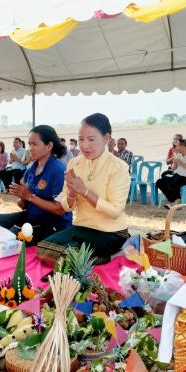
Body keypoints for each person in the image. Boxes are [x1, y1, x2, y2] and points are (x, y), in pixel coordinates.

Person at [37, 113, 130, 266]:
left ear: (106, 138)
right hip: (82, 228)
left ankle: (111, 255)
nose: (85, 145)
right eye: (81, 139)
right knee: (44, 249)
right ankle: (99, 257)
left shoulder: (119, 167)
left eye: (91, 139)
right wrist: (72, 194)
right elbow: (66, 206)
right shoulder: (74, 164)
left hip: (111, 232)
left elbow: (115, 211)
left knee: (67, 258)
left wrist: (85, 192)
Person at [0, 125, 71, 245]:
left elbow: (60, 210)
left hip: (51, 223)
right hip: (31, 216)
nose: (30, 148)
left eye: (35, 144)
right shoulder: (31, 169)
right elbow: (23, 205)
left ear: (49, 146)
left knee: (10, 239)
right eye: (29, 144)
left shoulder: (58, 170)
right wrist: (22, 198)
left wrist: (30, 196)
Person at [156, 138, 186, 208]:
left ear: (183, 146)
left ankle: (176, 202)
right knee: (160, 182)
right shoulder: (179, 155)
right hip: (177, 175)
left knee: (174, 183)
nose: (175, 148)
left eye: (177, 146)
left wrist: (181, 163)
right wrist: (172, 167)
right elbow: (175, 167)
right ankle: (175, 200)